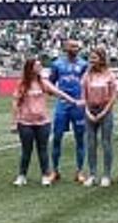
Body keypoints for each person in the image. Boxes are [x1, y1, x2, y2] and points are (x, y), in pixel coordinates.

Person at [12, 57, 73, 186]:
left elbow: (57, 92)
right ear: (30, 68)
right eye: (37, 65)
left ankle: (45, 175)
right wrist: (14, 121)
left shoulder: (43, 82)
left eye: (40, 66)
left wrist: (73, 101)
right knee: (26, 150)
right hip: (25, 122)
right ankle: (22, 175)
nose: (40, 68)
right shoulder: (22, 84)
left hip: (43, 122)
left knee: (43, 149)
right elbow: (16, 103)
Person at [48, 39, 88, 183]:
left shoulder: (84, 64)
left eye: (77, 46)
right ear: (65, 48)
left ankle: (80, 171)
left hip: (78, 105)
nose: (76, 48)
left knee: (80, 139)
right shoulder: (57, 64)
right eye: (73, 46)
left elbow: (87, 84)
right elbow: (50, 85)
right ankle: (55, 171)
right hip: (62, 105)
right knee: (57, 137)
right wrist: (59, 95)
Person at [79, 48, 118, 186]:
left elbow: (113, 96)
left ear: (101, 59)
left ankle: (106, 175)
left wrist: (104, 112)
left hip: (105, 110)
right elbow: (83, 95)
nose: (91, 60)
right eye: (90, 58)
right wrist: (88, 112)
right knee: (90, 143)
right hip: (90, 110)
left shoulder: (109, 75)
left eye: (94, 58)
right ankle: (92, 174)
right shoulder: (87, 75)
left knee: (106, 142)